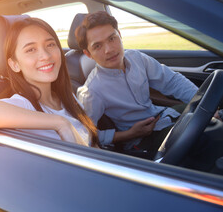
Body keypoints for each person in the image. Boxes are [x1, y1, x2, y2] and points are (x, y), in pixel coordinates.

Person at [0, 17, 97, 147]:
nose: (45, 55)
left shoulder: (67, 97)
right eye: (31, 50)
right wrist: (60, 123)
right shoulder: (23, 105)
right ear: (14, 64)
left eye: (50, 45)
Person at [75, 11, 198, 156]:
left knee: (207, 111)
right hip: (142, 141)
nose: (109, 49)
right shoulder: (91, 90)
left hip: (163, 116)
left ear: (119, 35)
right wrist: (129, 134)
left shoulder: (137, 58)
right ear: (88, 54)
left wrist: (201, 100)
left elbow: (172, 81)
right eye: (97, 46)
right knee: (204, 139)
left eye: (112, 38)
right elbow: (84, 134)